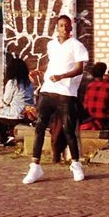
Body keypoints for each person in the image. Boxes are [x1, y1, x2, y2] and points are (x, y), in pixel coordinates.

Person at [23, 14, 89, 184]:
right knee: (39, 126)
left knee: (68, 130)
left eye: (67, 26)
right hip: (48, 91)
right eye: (61, 25)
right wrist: (40, 70)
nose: (65, 28)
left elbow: (79, 69)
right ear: (57, 28)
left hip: (66, 93)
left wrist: (62, 76)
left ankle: (76, 164)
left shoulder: (77, 46)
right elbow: (53, 63)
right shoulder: (52, 45)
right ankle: (35, 166)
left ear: (71, 28)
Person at [0, 54, 34, 146]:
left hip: (16, 115)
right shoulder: (29, 82)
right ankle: (5, 135)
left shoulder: (12, 83)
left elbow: (6, 101)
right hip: (27, 114)